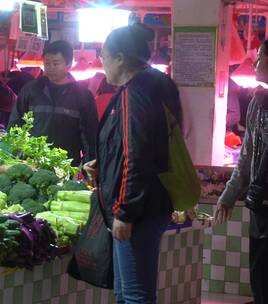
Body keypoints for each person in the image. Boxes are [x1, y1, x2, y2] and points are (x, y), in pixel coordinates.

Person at [86, 24, 182, 304]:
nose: (100, 62)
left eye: (103, 55)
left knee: (135, 296)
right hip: (152, 201)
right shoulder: (158, 83)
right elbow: (146, 144)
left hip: (138, 209)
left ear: (120, 58)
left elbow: (137, 153)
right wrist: (104, 163)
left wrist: (125, 211)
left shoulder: (134, 92)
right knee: (127, 294)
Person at [215, 40, 268, 304]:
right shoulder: (258, 104)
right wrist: (228, 194)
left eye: (260, 57)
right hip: (260, 203)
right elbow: (247, 156)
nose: (256, 62)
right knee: (259, 273)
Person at [8, 40, 98, 166]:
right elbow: (15, 125)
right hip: (32, 165)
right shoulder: (31, 90)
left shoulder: (83, 95)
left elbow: (89, 136)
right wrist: (14, 158)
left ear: (68, 64)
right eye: (47, 63)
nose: (50, 68)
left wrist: (89, 166)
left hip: (67, 166)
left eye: (55, 64)